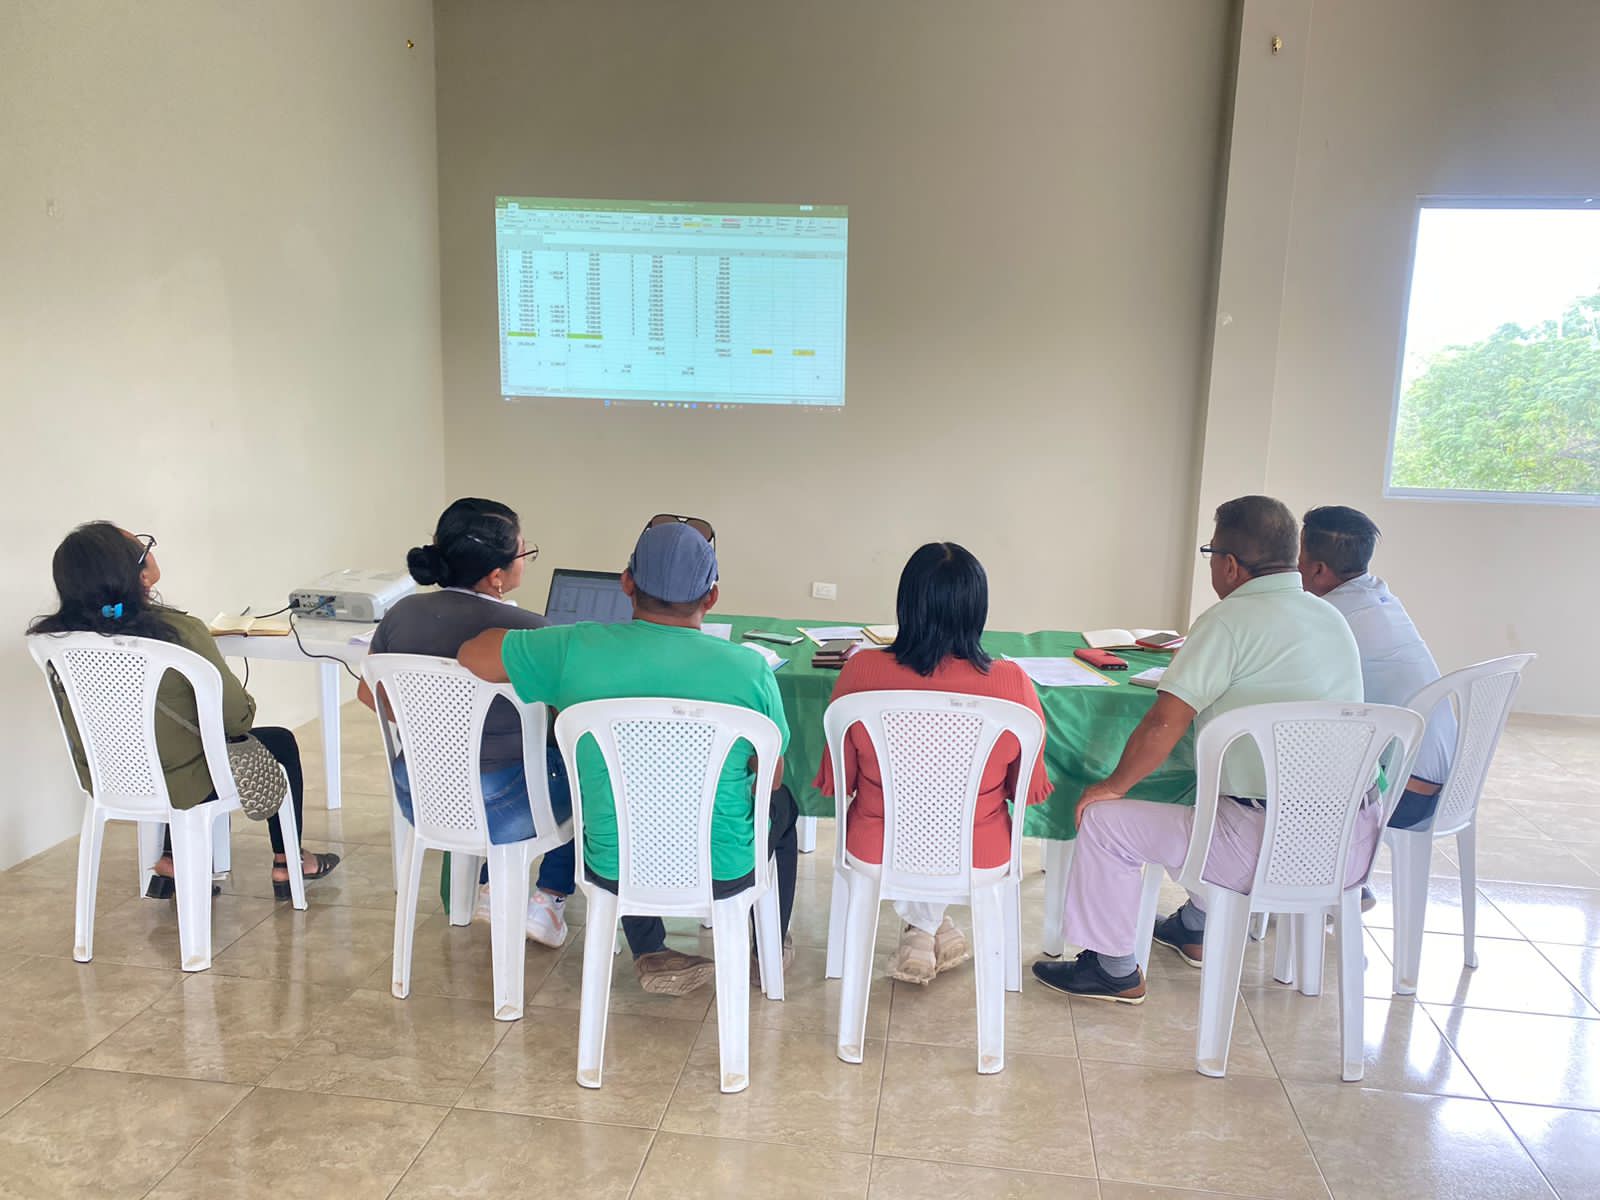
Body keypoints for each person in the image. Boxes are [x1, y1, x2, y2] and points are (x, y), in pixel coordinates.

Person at [1032, 495, 1366, 1003]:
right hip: (1347, 844)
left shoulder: (1228, 621)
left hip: (1262, 847)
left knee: (1105, 820)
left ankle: (1112, 969)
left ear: (1229, 564)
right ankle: (1194, 924)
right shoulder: (1331, 618)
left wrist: (1112, 786)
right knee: (1211, 796)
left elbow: (1164, 723)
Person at [458, 516, 799, 996]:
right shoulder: (749, 670)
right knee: (784, 805)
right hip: (721, 866)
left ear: (626, 583)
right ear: (712, 597)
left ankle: (650, 949)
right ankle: (767, 951)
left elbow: (473, 654)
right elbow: (772, 776)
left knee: (628, 807)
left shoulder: (573, 647)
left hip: (613, 863)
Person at [30, 522, 340, 899]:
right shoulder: (180, 632)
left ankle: (173, 858)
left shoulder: (57, 641)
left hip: (109, 778)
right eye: (143, 551)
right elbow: (237, 719)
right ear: (139, 573)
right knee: (279, 742)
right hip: (181, 781)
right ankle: (288, 862)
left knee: (169, 745)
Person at [817, 542, 1051, 984]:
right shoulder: (1012, 684)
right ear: (978, 609)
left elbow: (842, 778)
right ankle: (930, 928)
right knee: (943, 818)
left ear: (906, 604)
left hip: (877, 843)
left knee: (915, 819)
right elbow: (1022, 786)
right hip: (978, 848)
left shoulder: (861, 672)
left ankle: (923, 930)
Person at [358, 498, 575, 947]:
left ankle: (489, 886)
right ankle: (548, 899)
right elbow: (563, 717)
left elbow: (368, 694)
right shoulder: (529, 629)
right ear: (497, 576)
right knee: (582, 769)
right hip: (504, 805)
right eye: (524, 552)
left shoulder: (401, 614)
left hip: (420, 793)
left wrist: (435, 727)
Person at [1299, 504, 1457, 906]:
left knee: (1275, 765)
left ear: (1318, 569)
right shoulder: (1381, 596)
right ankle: (1340, 879)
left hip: (1403, 796)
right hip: (1441, 786)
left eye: (1298, 556)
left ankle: (1318, 885)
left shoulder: (1329, 617)